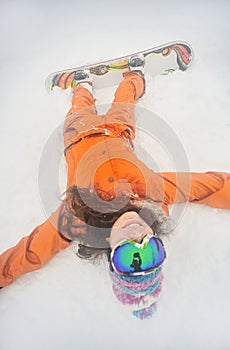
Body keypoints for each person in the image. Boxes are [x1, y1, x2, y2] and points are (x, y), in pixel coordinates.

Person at [0, 55, 230, 320]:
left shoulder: (79, 218)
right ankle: (135, 76)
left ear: (109, 250)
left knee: (80, 106)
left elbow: (30, 252)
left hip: (79, 134)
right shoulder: (153, 194)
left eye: (129, 253)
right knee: (125, 99)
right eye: (150, 247)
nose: (137, 236)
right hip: (120, 130)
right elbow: (211, 186)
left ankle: (82, 86)